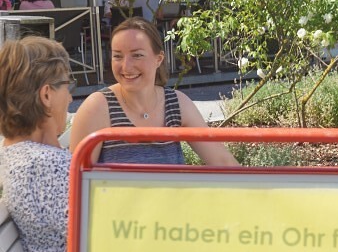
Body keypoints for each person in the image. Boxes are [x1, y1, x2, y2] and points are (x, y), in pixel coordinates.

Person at [69, 16, 238, 166]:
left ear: (159, 59)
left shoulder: (176, 103)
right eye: (118, 56)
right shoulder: (97, 107)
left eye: (137, 55)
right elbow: (75, 179)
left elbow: (223, 161)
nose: (126, 66)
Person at [0, 36, 74, 252]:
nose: (71, 98)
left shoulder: (17, 155)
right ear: (46, 95)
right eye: (67, 86)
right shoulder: (45, 167)